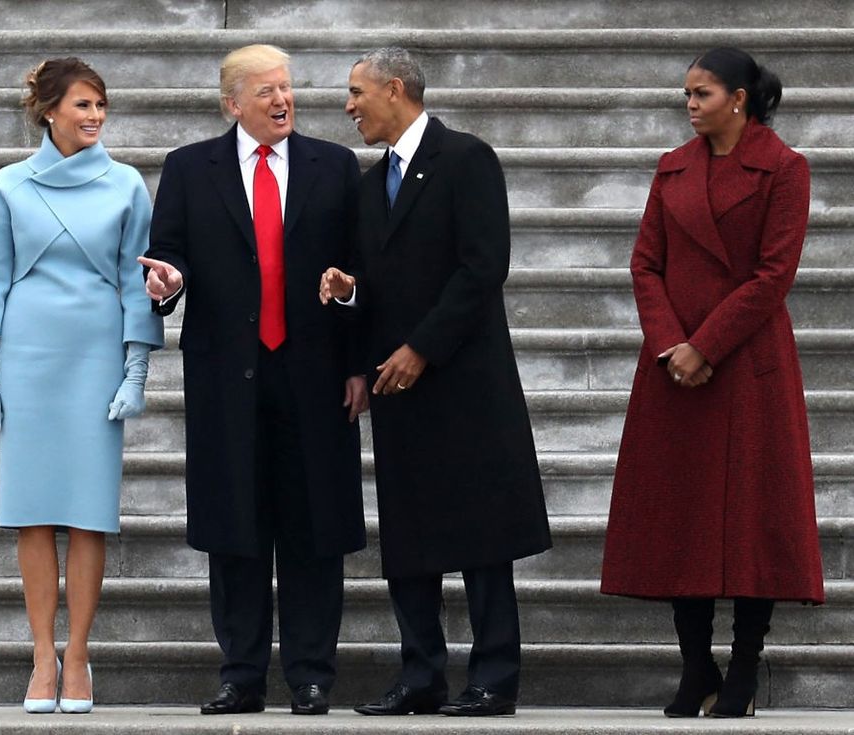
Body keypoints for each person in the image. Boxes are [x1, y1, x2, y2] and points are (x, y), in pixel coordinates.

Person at [320, 47, 551, 717]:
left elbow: (483, 267)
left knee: (483, 536)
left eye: (358, 91)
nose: (349, 105)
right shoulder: (369, 186)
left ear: (396, 90)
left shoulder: (467, 159)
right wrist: (348, 292)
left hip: (465, 382)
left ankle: (494, 676)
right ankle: (421, 673)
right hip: (398, 390)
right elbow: (382, 283)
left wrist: (421, 347)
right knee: (410, 537)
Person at [139, 44, 366, 717]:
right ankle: (240, 674)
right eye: (266, 91)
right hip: (226, 378)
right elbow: (168, 251)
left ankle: (311, 674)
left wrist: (357, 356)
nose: (282, 101)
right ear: (232, 102)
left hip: (316, 376)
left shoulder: (334, 166)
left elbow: (358, 266)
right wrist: (167, 283)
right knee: (234, 527)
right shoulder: (189, 168)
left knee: (314, 528)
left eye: (288, 88)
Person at [600, 47, 824, 718]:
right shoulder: (672, 168)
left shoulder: (784, 169)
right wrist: (672, 343)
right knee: (680, 517)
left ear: (739, 99)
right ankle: (697, 664)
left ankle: (744, 671)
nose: (690, 104)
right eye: (687, 94)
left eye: (701, 93)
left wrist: (706, 345)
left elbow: (772, 275)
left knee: (753, 521)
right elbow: (645, 264)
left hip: (746, 366)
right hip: (674, 369)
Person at [0, 57, 164, 714]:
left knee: (87, 514)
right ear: (49, 110)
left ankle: (77, 654)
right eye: (83, 105)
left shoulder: (126, 184)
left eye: (101, 106)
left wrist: (136, 370)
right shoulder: (10, 185)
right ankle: (39, 655)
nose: (95, 117)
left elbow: (138, 283)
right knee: (31, 512)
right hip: (29, 357)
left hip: (94, 357)